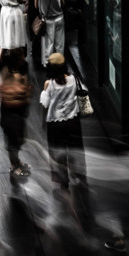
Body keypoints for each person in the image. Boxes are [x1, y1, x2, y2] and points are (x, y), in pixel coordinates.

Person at [40, 53, 84, 189]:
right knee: (75, 149)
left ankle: (63, 178)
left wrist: (43, 121)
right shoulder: (74, 79)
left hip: (55, 124)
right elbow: (83, 93)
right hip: (73, 122)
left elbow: (45, 105)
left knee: (58, 152)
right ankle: (78, 175)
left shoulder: (49, 84)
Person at [0, 51, 32, 179]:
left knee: (18, 140)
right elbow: (1, 89)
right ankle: (14, 166)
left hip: (18, 112)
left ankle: (17, 161)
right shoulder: (7, 72)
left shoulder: (19, 70)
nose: (23, 59)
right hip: (10, 114)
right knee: (13, 142)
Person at [36, 0, 65, 68]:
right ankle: (60, 62)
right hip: (59, 18)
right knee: (59, 43)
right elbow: (63, 5)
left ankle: (47, 63)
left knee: (48, 43)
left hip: (47, 20)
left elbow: (36, 7)